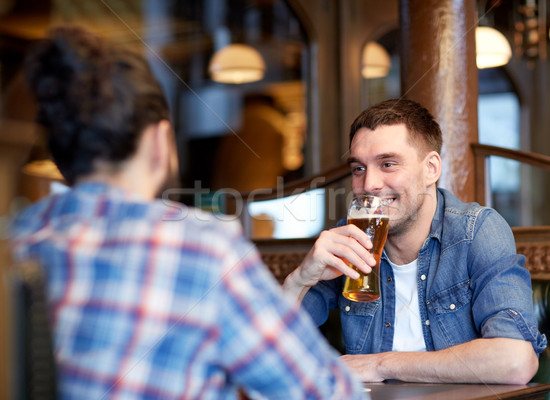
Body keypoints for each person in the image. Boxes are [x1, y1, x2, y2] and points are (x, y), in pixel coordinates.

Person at [11, 26, 366, 399]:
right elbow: (325, 392)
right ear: (160, 141)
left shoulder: (18, 237)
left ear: (62, 158)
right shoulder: (202, 248)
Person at [283, 98, 547, 384]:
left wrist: (380, 365)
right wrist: (300, 279)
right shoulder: (351, 239)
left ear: (431, 169)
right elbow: (264, 348)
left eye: (388, 164)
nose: (369, 183)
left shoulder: (476, 232)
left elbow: (515, 361)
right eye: (359, 168)